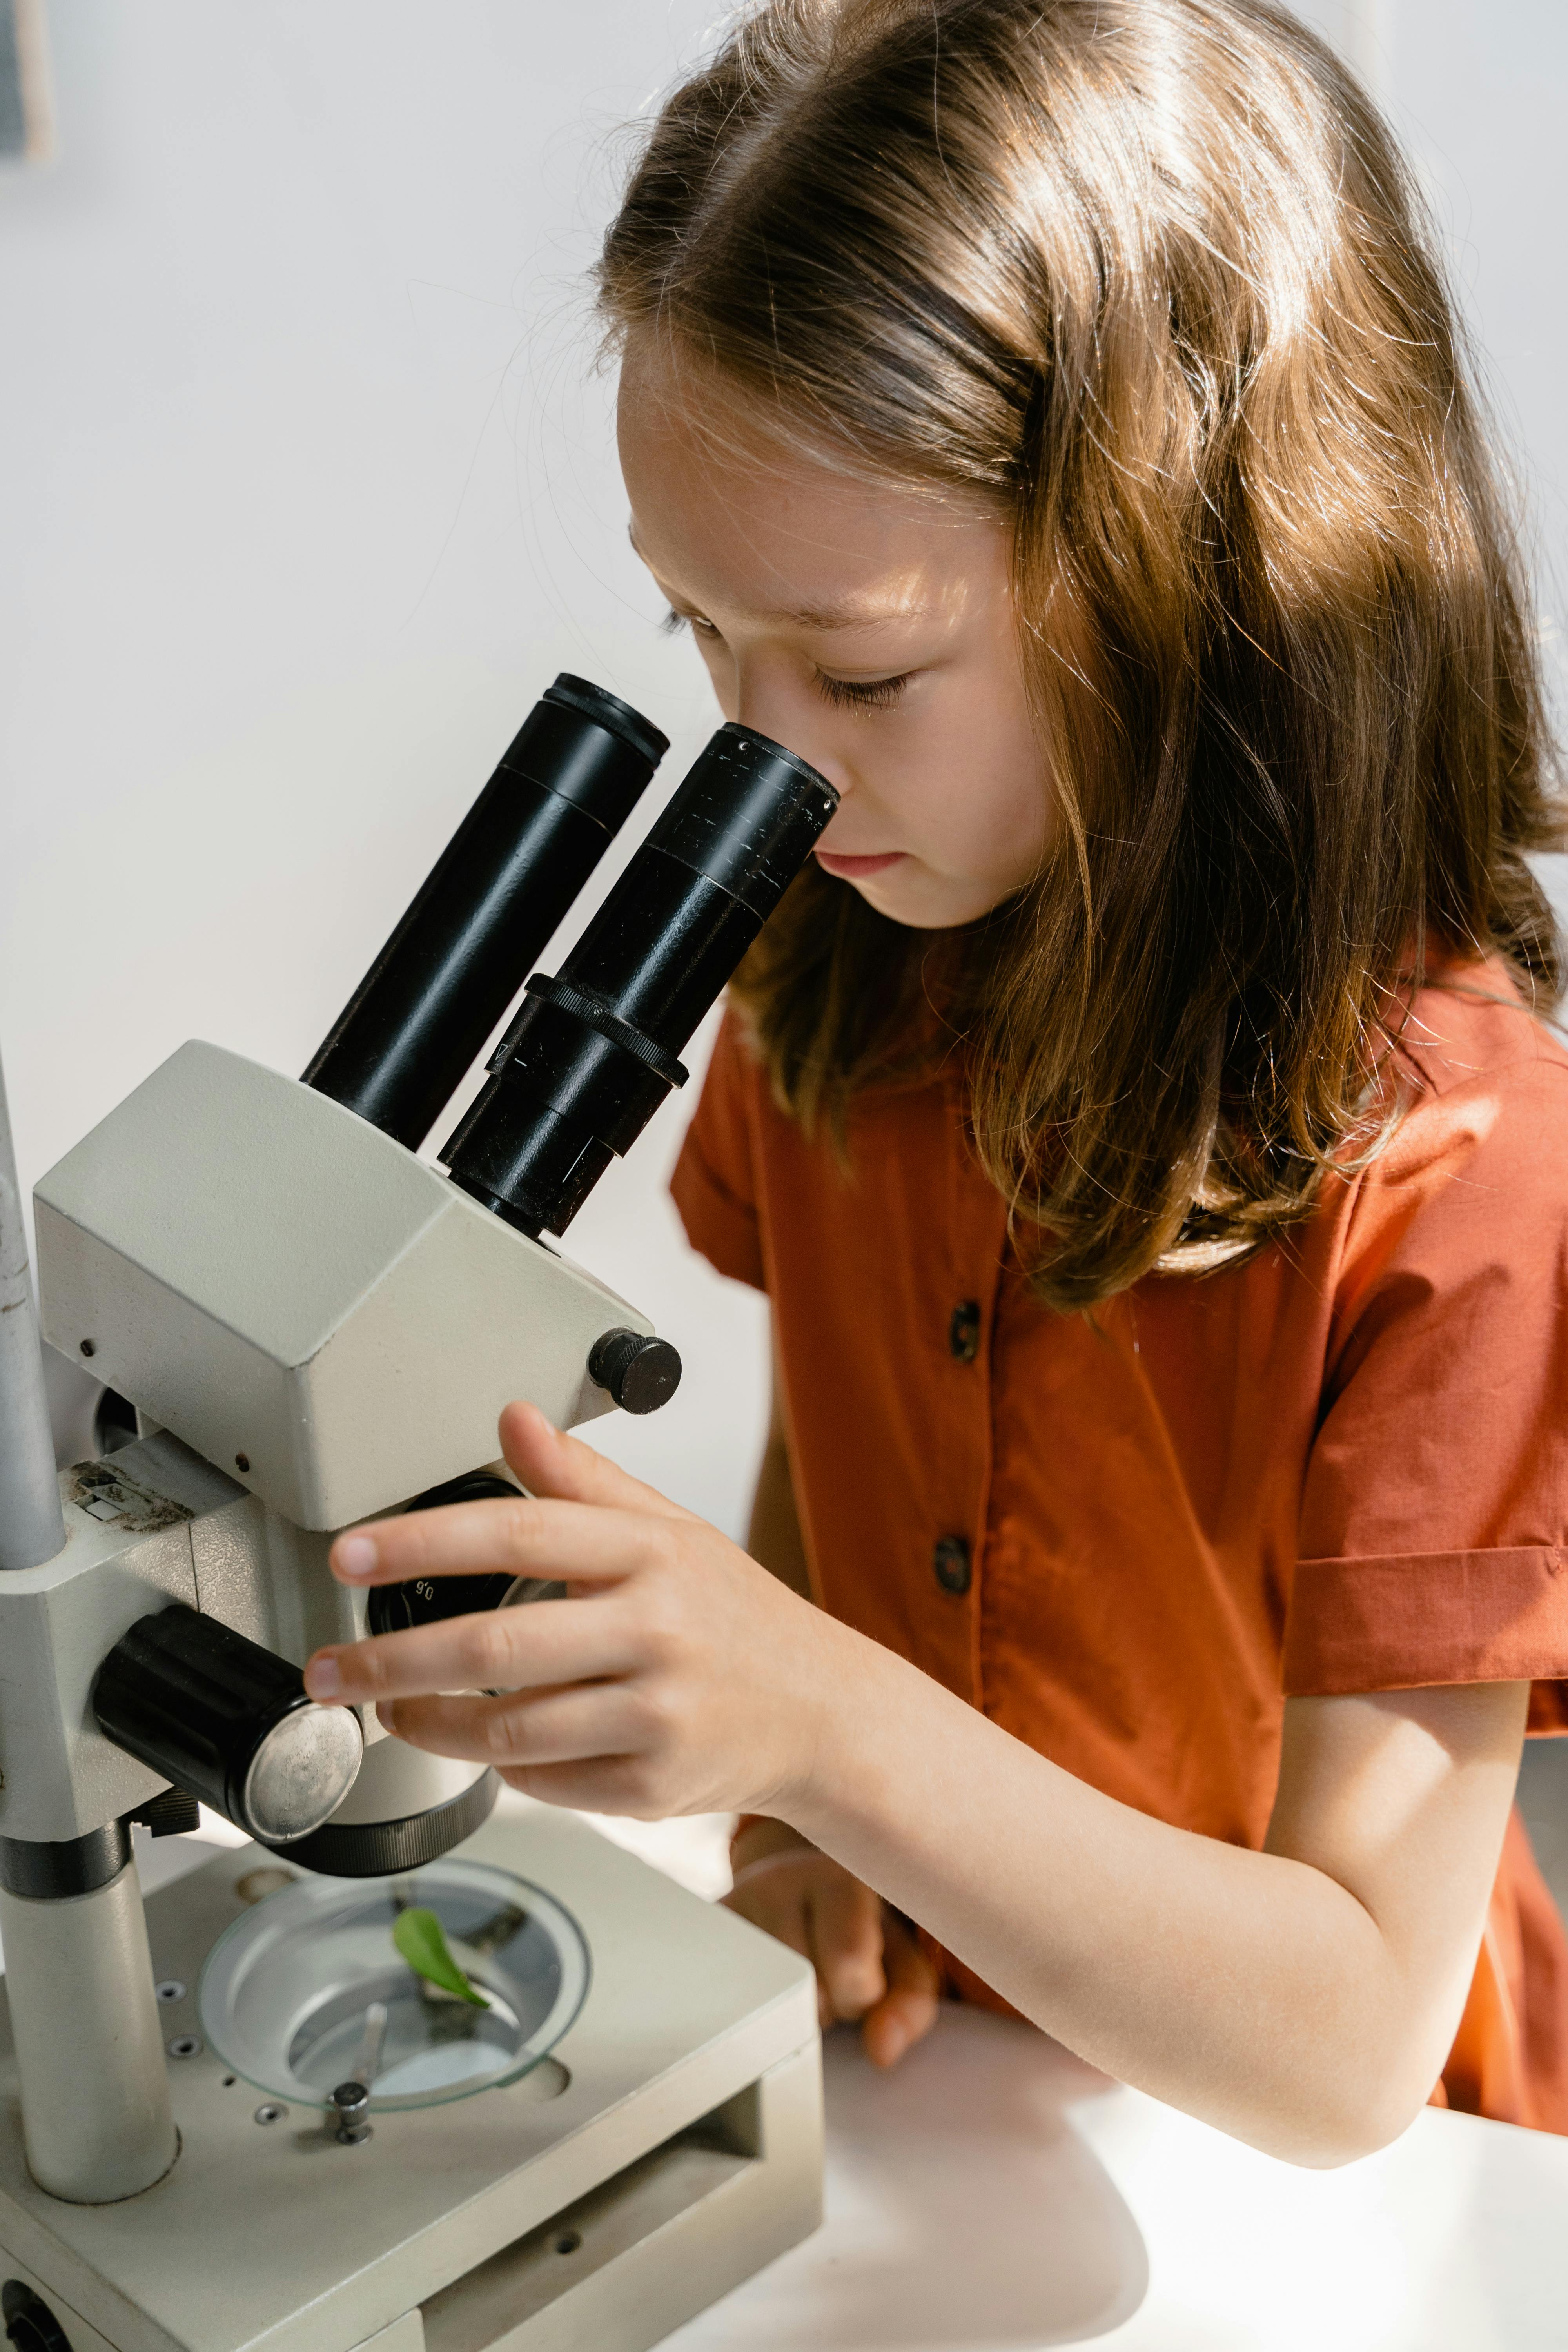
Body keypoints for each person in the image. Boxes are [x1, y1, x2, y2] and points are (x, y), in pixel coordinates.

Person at [303, 0, 1568, 2161]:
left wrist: (828, 1732)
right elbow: (843, 1434)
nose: (768, 756)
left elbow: (1353, 2039)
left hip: (1337, 2184)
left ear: (1205, 579)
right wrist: (811, 1819)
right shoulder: (834, 947)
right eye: (700, 636)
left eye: (864, 665)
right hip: (954, 2079)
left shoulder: (1468, 1167)